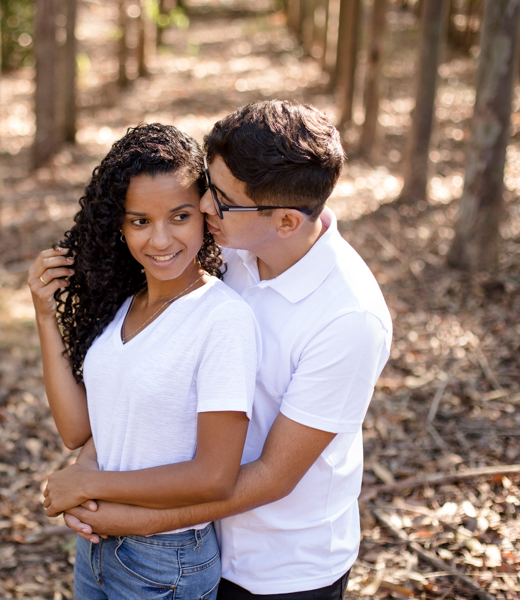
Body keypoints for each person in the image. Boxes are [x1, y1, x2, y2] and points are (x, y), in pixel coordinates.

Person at [55, 101, 393, 600]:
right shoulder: (232, 244)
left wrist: (126, 516)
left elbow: (274, 477)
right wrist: (91, 464)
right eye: (211, 189)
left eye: (223, 201)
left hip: (279, 570)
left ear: (284, 222)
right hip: (193, 542)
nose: (206, 207)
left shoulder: (349, 320)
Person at [27, 123, 260, 599]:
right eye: (139, 221)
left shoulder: (222, 318)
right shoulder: (125, 303)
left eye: (179, 217)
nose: (160, 240)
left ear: (204, 217)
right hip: (96, 549)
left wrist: (89, 483)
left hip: (167, 559)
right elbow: (78, 431)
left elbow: (214, 477)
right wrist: (45, 317)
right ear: (119, 224)